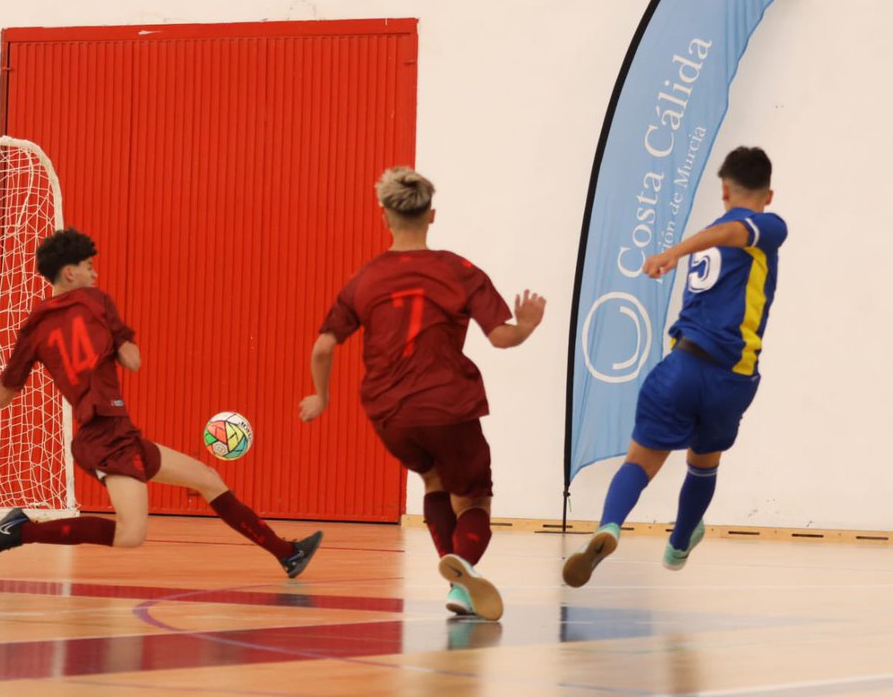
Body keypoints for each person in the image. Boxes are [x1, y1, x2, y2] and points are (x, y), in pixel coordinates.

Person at [0, 228, 322, 576]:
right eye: (88, 267)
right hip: (107, 437)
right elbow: (134, 361)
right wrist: (117, 340)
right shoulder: (95, 301)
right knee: (131, 534)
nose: (95, 274)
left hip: (112, 435)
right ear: (70, 272)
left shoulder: (34, 327)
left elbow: (1, 397)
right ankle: (21, 531)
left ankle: (288, 554)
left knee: (208, 478)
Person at [298, 167, 545, 620]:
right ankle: (463, 568)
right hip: (447, 405)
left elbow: (323, 346)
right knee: (474, 498)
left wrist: (321, 398)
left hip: (388, 414)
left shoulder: (365, 279)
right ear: (432, 215)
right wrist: (526, 327)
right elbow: (502, 338)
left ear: (384, 218)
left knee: (433, 479)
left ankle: (460, 586)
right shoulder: (459, 270)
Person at [563, 146, 786, 587]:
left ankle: (609, 525)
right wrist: (673, 251)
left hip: (681, 367)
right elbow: (735, 233)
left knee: (640, 463)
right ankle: (679, 543)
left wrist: (676, 252)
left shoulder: (710, 236)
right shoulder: (769, 225)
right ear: (769, 194)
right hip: (731, 377)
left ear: (723, 190)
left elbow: (724, 235)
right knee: (704, 463)